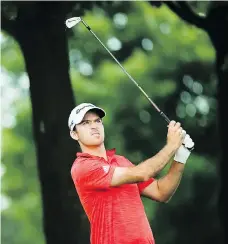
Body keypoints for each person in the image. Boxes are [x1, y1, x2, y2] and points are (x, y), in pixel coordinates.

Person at [68, 102, 194, 244]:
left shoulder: (121, 162)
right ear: (74, 134)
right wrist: (171, 145)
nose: (94, 126)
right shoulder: (83, 167)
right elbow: (143, 173)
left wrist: (181, 155)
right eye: (85, 123)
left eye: (97, 121)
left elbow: (161, 192)